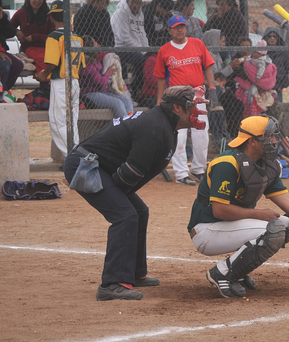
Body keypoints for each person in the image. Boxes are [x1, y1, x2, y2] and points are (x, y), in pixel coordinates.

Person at [64, 85, 200, 300]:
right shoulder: (155, 127)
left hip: (102, 166)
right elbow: (129, 175)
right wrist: (119, 196)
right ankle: (112, 283)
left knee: (139, 211)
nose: (197, 111)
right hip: (85, 166)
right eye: (192, 106)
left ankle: (134, 274)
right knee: (125, 215)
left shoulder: (163, 123)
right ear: (176, 108)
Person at [188, 115, 289, 299]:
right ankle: (222, 273)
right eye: (269, 136)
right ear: (252, 141)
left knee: (288, 223)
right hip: (206, 230)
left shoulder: (267, 165)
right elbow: (219, 210)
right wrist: (258, 214)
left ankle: (237, 272)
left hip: (226, 227)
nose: (274, 141)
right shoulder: (227, 163)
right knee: (275, 229)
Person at [154, 15, 218, 186]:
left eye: (182, 26)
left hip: (197, 93)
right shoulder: (165, 50)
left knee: (201, 134)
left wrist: (212, 88)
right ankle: (181, 173)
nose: (180, 29)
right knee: (179, 136)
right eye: (175, 27)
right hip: (176, 96)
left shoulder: (197, 44)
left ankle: (199, 170)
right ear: (169, 30)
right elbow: (161, 78)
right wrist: (160, 100)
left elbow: (208, 67)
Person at [35, 1, 85, 159]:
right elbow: (82, 64)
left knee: (58, 123)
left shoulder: (54, 36)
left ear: (51, 18)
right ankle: (78, 155)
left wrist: (43, 74)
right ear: (68, 17)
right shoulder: (77, 37)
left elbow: (51, 63)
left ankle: (75, 158)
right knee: (72, 122)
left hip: (61, 82)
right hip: (75, 82)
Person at [79, 35, 134, 118]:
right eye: (94, 43)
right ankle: (125, 127)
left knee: (127, 102)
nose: (97, 44)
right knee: (117, 103)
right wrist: (108, 73)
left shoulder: (95, 60)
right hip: (89, 94)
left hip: (101, 92)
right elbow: (100, 83)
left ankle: (130, 122)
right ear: (90, 46)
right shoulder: (87, 65)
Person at [11, 0, 55, 75]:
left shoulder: (48, 15)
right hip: (27, 48)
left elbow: (52, 37)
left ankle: (45, 85)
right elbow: (8, 27)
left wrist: (36, 37)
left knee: (48, 59)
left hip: (45, 48)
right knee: (41, 58)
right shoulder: (21, 12)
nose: (37, 1)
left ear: (44, 0)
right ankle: (44, 82)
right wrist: (16, 31)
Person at [111, 0, 146, 98]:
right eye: (133, 2)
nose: (136, 5)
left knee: (149, 58)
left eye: (139, 3)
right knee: (141, 58)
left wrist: (147, 50)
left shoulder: (140, 14)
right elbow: (124, 38)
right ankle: (136, 88)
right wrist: (141, 50)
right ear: (127, 1)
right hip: (120, 48)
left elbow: (142, 34)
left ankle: (142, 88)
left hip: (136, 48)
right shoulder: (121, 13)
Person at [1, 5, 28, 94]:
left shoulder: (2, 20)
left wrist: (3, 18)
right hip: (1, 52)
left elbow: (11, 32)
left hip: (2, 50)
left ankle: (4, 91)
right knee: (5, 64)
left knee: (18, 65)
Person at [262, 26, 289, 101]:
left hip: (277, 88)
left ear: (278, 38)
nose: (272, 38)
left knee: (277, 110)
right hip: (262, 87)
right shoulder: (261, 52)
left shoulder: (283, 52)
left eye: (275, 36)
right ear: (266, 38)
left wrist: (282, 86)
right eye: (269, 36)